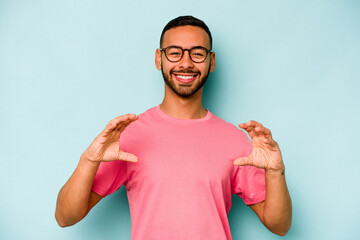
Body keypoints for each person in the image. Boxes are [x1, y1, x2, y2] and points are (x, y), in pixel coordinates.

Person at [55, 16, 292, 239]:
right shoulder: (129, 136)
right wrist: (88, 160)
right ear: (159, 58)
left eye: (198, 53)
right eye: (175, 53)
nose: (186, 63)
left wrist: (275, 172)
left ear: (212, 61)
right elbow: (65, 217)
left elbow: (279, 226)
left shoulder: (236, 140)